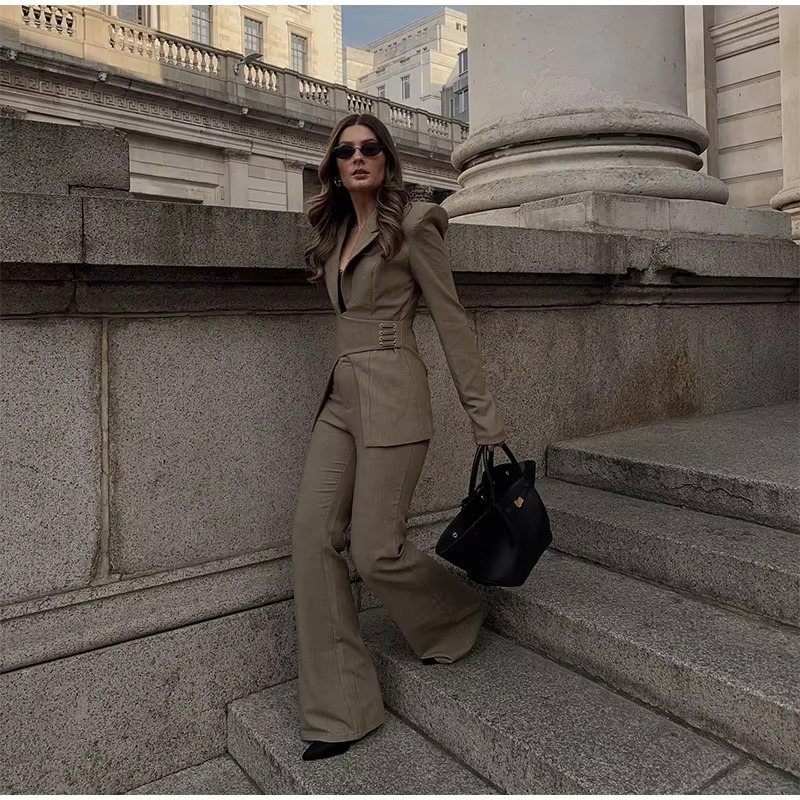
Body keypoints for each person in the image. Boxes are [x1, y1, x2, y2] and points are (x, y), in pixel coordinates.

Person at [291, 112, 506, 762]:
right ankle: (341, 709)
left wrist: (484, 419)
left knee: (376, 549)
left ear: (387, 160)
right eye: (346, 151)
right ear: (334, 168)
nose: (357, 158)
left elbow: (452, 321)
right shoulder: (334, 232)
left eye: (370, 148)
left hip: (394, 394)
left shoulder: (415, 225)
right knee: (311, 537)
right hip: (341, 398)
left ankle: (454, 614)